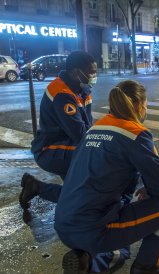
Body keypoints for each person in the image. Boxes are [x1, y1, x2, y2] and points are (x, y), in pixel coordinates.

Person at [54, 80, 159, 274]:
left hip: (64, 224)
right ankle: (147, 267)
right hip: (94, 228)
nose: (146, 109)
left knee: (122, 250)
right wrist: (150, 192)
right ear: (138, 105)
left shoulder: (95, 129)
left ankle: (85, 260)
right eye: (146, 104)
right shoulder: (135, 133)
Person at [19, 51, 97, 210]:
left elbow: (87, 126)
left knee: (83, 194)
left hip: (66, 147)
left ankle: (35, 187)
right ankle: (37, 188)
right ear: (76, 73)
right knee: (86, 190)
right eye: (92, 73)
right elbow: (81, 135)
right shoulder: (62, 94)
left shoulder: (81, 89)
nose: (94, 76)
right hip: (50, 150)